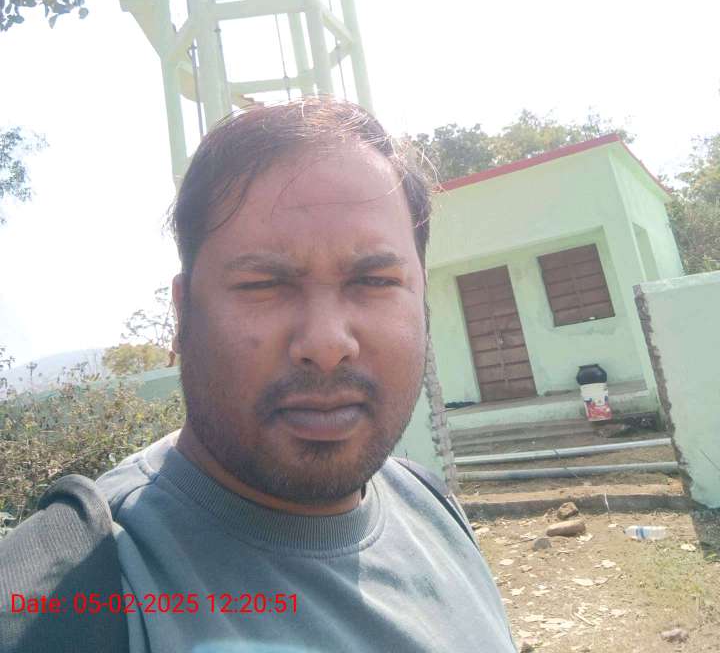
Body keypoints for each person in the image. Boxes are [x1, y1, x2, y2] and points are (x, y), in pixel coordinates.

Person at [0, 98, 515, 653]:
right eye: (263, 284)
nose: (327, 344)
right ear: (184, 315)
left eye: (375, 281)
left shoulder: (431, 505)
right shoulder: (71, 600)